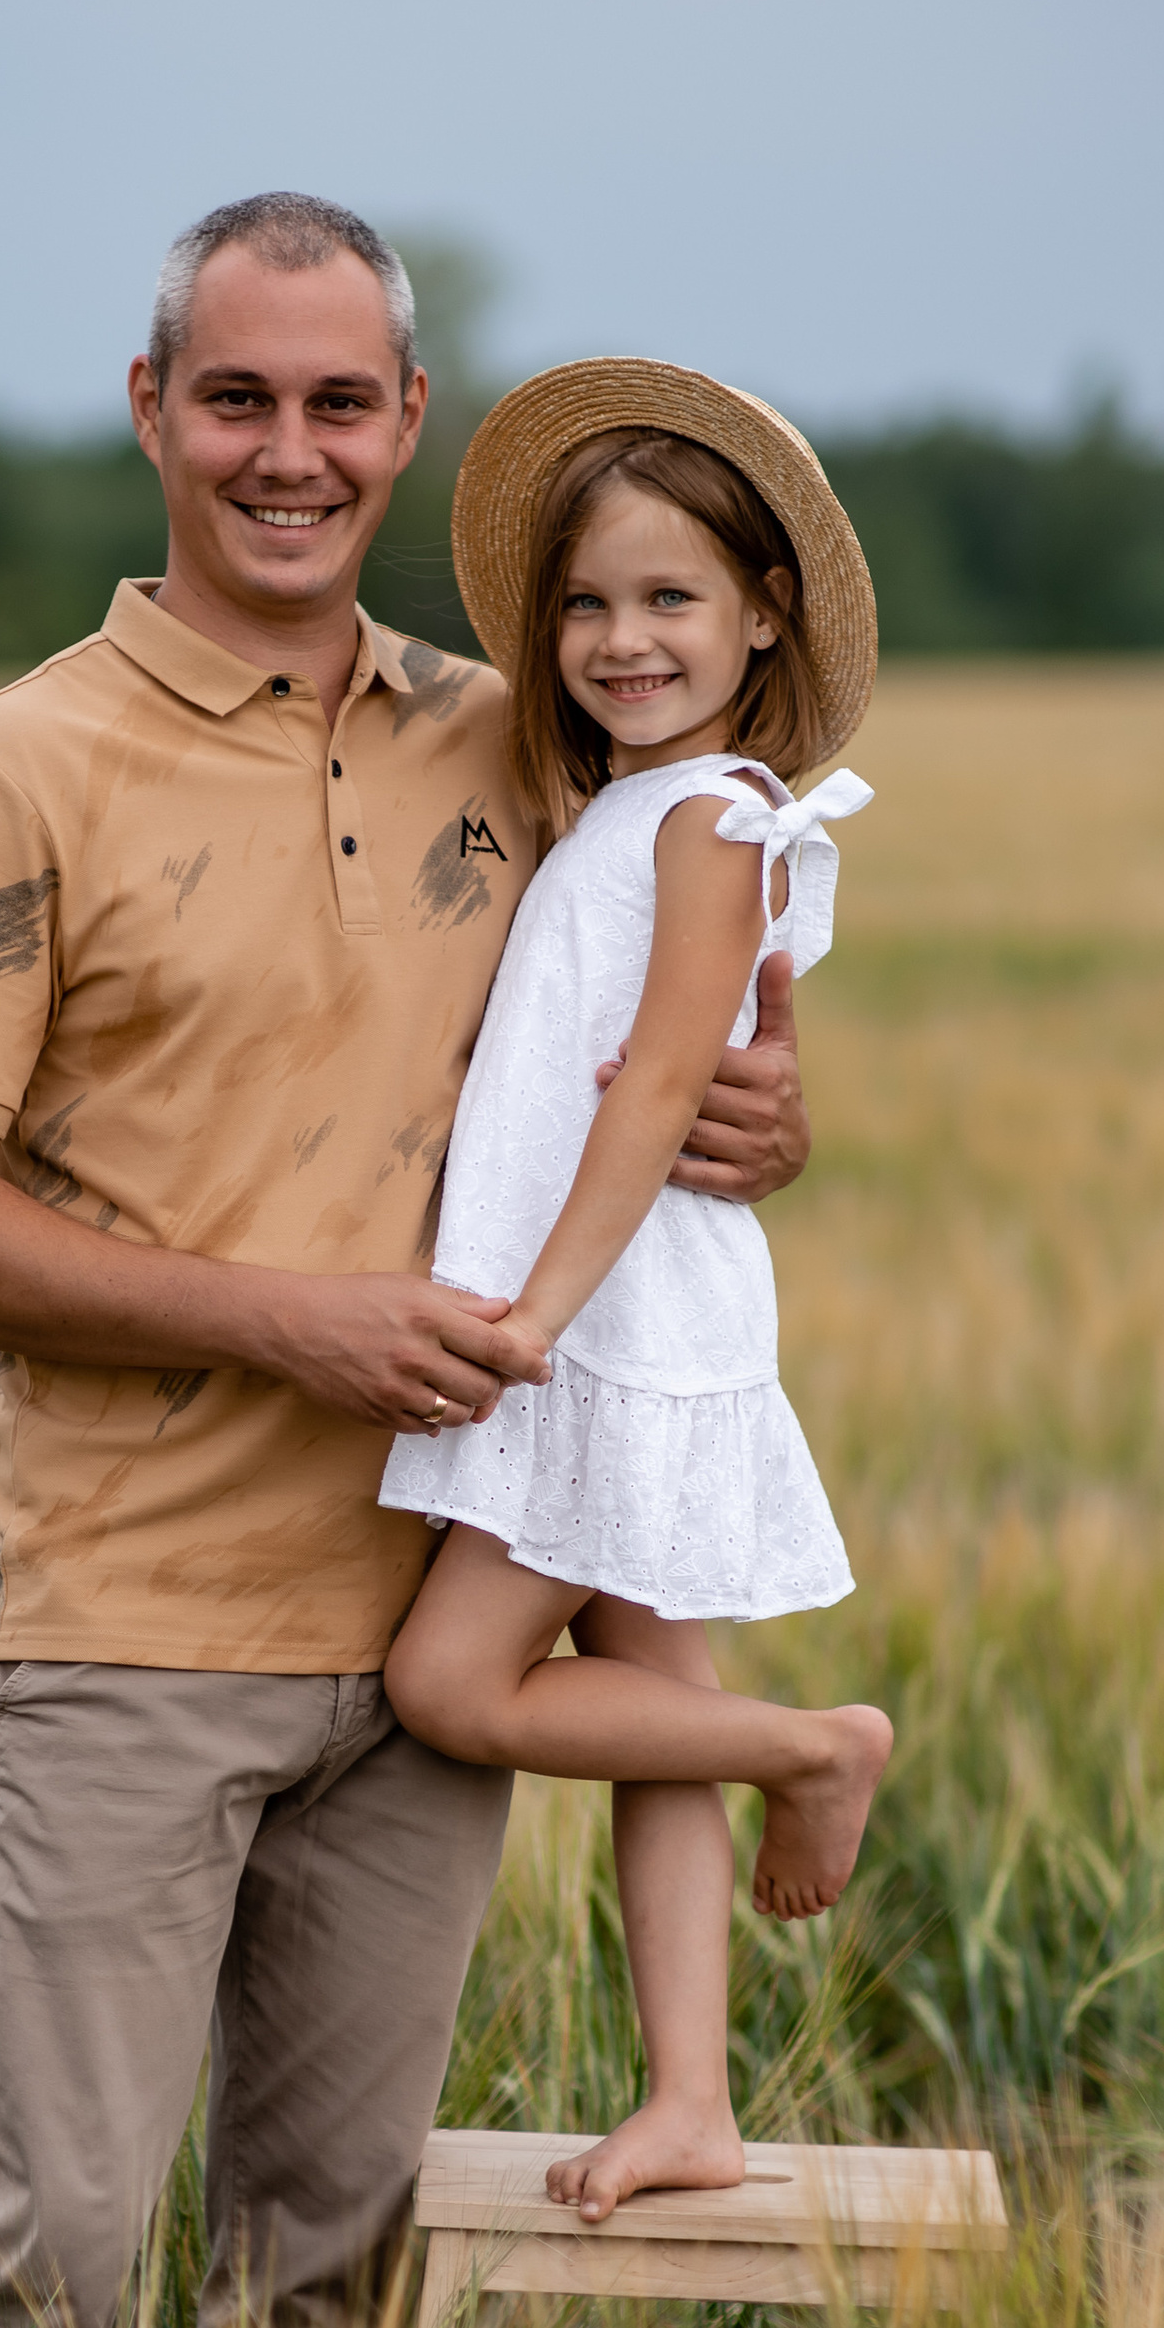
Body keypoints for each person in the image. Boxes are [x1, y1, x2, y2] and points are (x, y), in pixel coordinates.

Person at [0, 204, 814, 2328]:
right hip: (138, 1621)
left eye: (342, 403)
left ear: (404, 421)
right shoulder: (21, 762)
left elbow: (677, 1040)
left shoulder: (520, 731)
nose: (290, 451)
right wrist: (285, 1313)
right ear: (150, 405)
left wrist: (777, 1118)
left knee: (327, 2260)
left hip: (442, 1622)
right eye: (238, 398)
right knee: (52, 2239)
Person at [381, 360, 891, 2228]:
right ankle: (692, 2094)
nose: (620, 637)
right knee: (645, 1701)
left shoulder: (716, 817)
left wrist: (527, 1323)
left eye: (673, 597)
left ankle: (815, 1746)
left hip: (598, 1325)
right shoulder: (638, 807)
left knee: (450, 1681)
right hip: (605, 1315)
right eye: (586, 603)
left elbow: (669, 1083)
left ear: (767, 616)